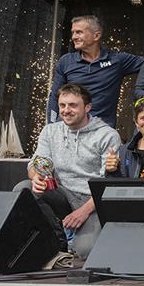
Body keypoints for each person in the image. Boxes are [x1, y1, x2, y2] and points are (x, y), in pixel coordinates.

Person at [25, 83, 120, 258]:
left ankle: (76, 240)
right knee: (24, 189)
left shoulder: (107, 135)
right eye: (62, 105)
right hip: (62, 194)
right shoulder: (50, 131)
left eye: (73, 105)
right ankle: (58, 239)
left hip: (93, 201)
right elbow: (35, 163)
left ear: (87, 107)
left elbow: (108, 184)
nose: (66, 110)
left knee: (84, 251)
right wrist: (36, 177)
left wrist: (83, 211)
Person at [48, 15, 144, 128]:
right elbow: (55, 96)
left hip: (102, 132)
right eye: (73, 32)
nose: (74, 37)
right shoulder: (66, 61)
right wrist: (51, 126)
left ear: (96, 35)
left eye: (79, 32)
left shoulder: (117, 60)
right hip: (69, 131)